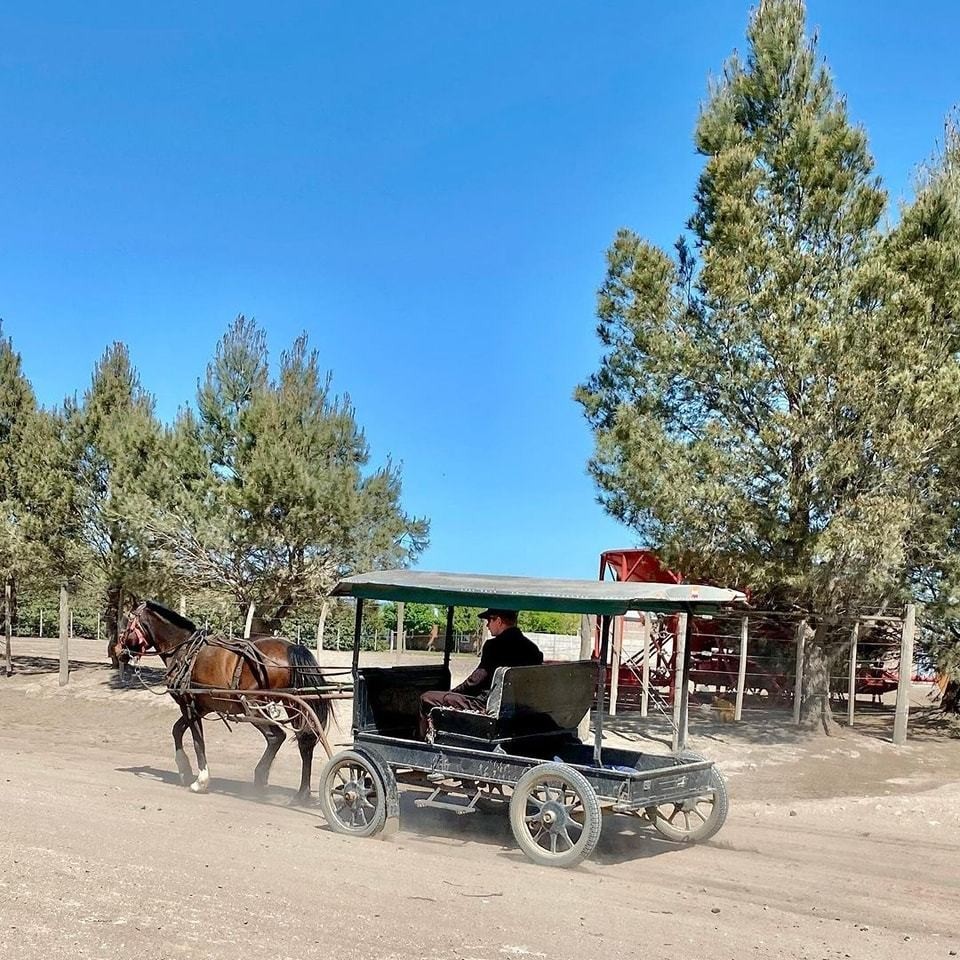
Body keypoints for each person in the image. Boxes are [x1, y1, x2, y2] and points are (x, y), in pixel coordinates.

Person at [418, 609, 543, 739]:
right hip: (520, 707)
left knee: (426, 698)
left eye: (489, 620)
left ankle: (422, 743)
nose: (487, 625)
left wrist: (453, 692)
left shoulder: (494, 645)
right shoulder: (532, 648)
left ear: (499, 621)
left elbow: (476, 680)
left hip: (485, 704)